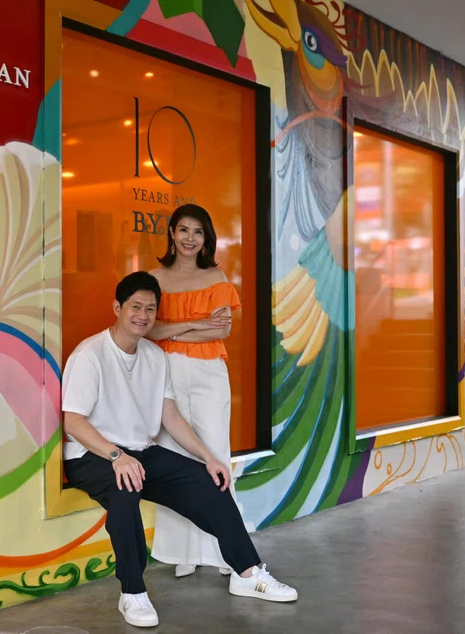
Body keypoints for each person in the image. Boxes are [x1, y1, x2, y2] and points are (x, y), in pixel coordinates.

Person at [61, 271, 297, 628]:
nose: (142, 315)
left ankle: (248, 572)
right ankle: (132, 592)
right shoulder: (90, 354)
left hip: (139, 453)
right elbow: (73, 422)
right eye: (135, 306)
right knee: (126, 488)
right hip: (92, 455)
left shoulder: (155, 357)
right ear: (117, 307)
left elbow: (170, 417)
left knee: (210, 481)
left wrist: (209, 457)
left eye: (150, 309)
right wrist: (115, 455)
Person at [146, 203, 238, 579]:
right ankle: (183, 550)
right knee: (174, 456)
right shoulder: (154, 277)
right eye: (183, 230)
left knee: (214, 453)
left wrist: (173, 327)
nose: (189, 238)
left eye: (197, 232)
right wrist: (193, 323)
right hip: (164, 373)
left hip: (208, 372)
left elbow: (221, 331)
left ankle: (225, 548)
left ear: (206, 238)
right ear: (171, 232)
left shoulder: (216, 276)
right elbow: (148, 330)